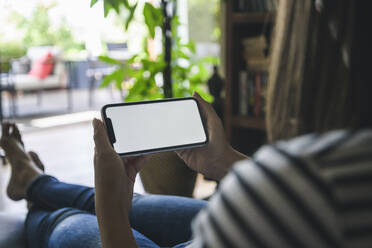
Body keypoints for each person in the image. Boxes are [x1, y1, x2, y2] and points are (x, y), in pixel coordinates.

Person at [1, 0, 371, 247]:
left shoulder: (316, 182)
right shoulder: (312, 182)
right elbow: (293, 204)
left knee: (63, 219)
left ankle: (33, 186)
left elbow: (292, 199)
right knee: (108, 201)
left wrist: (112, 212)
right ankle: (32, 179)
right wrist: (224, 161)